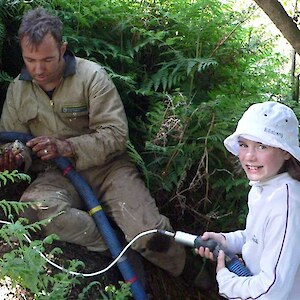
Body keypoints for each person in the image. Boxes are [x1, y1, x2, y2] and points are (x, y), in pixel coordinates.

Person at [0, 6, 213, 290]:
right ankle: (114, 243)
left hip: (110, 170)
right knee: (38, 211)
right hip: (57, 175)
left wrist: (66, 147)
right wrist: (14, 157)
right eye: (30, 60)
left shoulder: (92, 77)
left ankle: (198, 276)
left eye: (47, 59)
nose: (38, 69)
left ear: (63, 49)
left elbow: (115, 135)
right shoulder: (18, 90)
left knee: (149, 234)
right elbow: (16, 141)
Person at [196, 101, 300, 299]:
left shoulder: (287, 204)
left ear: (286, 151)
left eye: (261, 146)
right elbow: (257, 236)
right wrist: (226, 240)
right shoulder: (265, 187)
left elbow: (272, 291)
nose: (249, 156)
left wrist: (227, 281)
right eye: (244, 145)